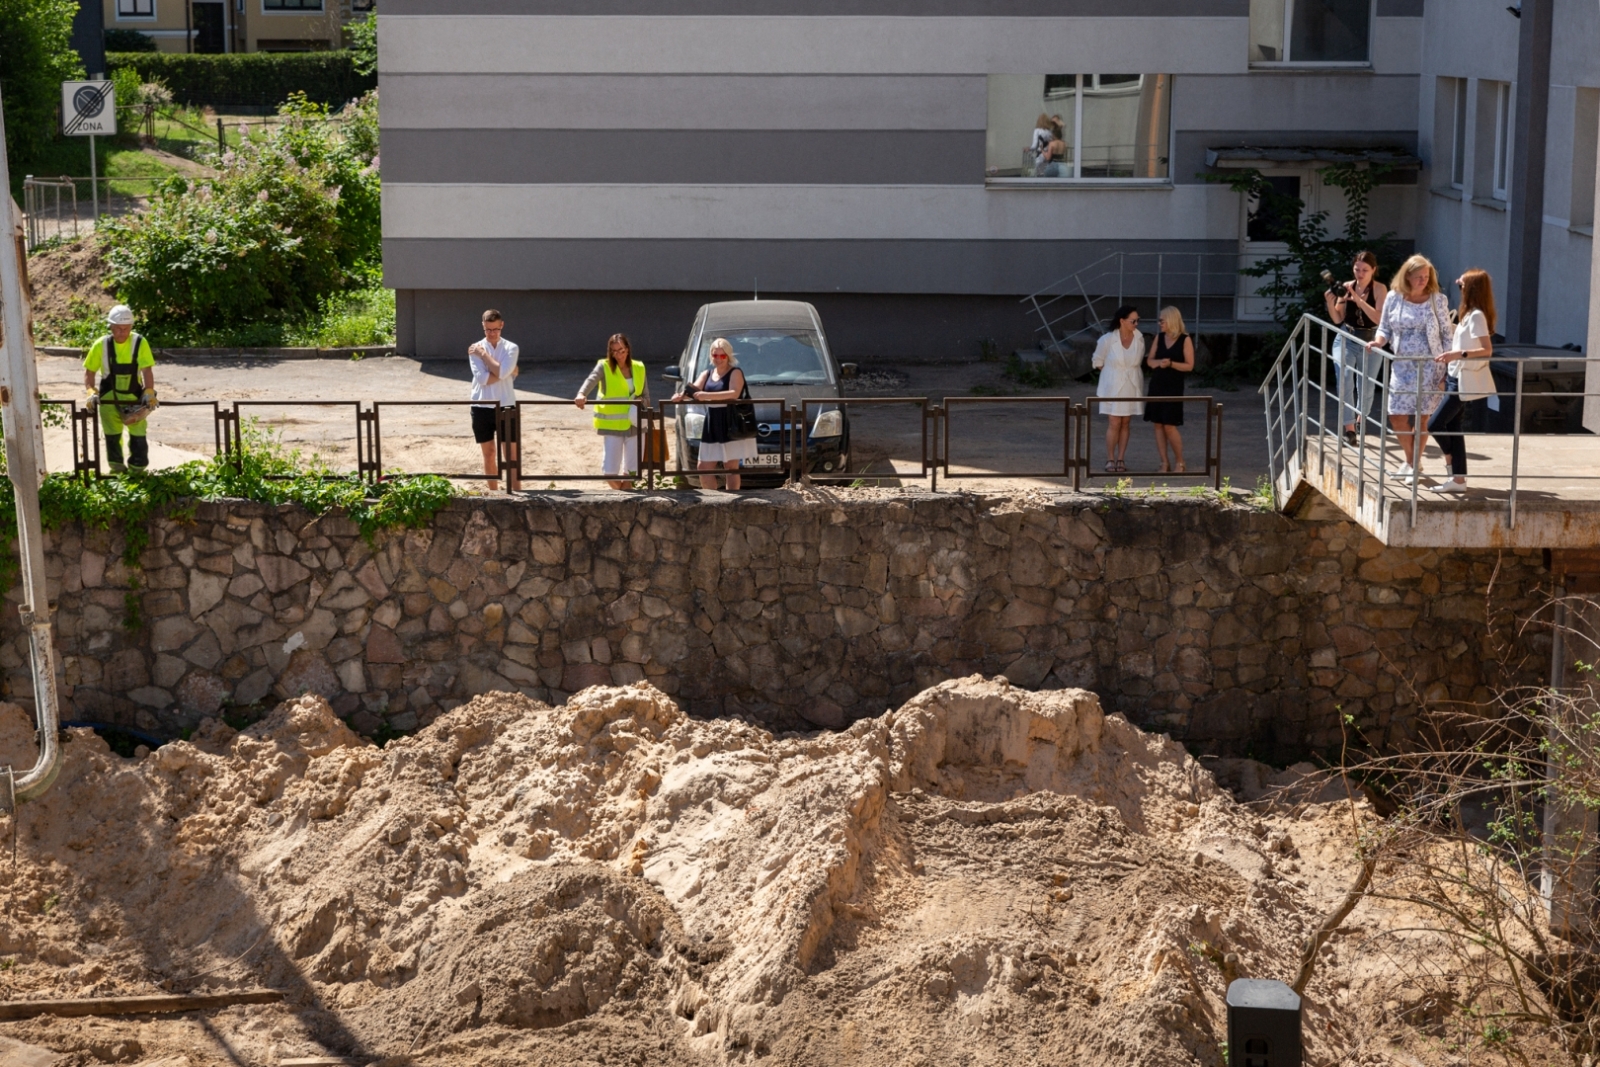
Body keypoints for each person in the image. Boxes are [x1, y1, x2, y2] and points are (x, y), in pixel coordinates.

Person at [1369, 254, 1452, 478]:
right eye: (1418, 277)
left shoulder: (1437, 300)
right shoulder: (1394, 298)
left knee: (1423, 417)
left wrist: (1447, 367)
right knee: (1396, 414)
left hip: (1431, 366)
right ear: (1407, 276)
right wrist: (1378, 342)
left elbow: (1447, 334)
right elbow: (1384, 328)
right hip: (1402, 365)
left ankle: (1413, 465)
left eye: (1426, 276)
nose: (1423, 280)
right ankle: (1411, 460)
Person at [1427, 269, 1497, 493]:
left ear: (1471, 289)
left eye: (1461, 286)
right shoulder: (1469, 314)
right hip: (1455, 376)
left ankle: (1451, 460)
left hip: (1461, 379)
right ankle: (1459, 480)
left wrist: (1457, 355)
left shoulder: (1477, 316)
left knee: (1434, 424)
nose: (1459, 289)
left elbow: (1486, 350)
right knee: (1453, 426)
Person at [82, 305, 157, 473]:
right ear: (111, 327)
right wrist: (91, 391)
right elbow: (89, 372)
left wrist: (149, 391)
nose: (122, 333)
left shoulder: (139, 342)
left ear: (131, 327)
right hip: (109, 400)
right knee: (112, 436)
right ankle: (116, 471)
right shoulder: (101, 345)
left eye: (126, 329)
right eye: (118, 329)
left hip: (135, 400)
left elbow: (147, 370)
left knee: (138, 435)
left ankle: (137, 470)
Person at [1324, 250, 1388, 443]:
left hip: (1371, 340)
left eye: (1364, 270)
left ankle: (1361, 419)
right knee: (1344, 379)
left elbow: (1379, 318)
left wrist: (1359, 300)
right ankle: (1349, 428)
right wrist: (1330, 302)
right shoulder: (1346, 287)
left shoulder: (1379, 289)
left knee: (1366, 387)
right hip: (1346, 337)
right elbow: (1338, 319)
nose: (1359, 274)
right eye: (1356, 269)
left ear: (1373, 270)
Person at [676, 338, 756, 490]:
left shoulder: (735, 372)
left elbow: (734, 393)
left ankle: (732, 502)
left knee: (730, 466)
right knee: (704, 466)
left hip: (729, 419)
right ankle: (712, 500)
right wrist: (681, 395)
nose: (718, 359)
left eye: (722, 355)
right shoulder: (707, 373)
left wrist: (706, 395)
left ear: (728, 356)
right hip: (712, 420)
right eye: (715, 355)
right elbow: (693, 389)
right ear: (711, 356)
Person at [574, 333, 649, 490]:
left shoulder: (639, 367)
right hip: (613, 424)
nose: (618, 355)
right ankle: (622, 495)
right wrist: (581, 394)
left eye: (621, 350)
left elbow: (646, 395)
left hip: (634, 423)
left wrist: (642, 403)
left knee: (632, 472)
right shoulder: (604, 366)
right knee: (609, 473)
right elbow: (591, 380)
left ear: (627, 349)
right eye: (614, 351)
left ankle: (626, 506)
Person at [467, 309, 521, 492]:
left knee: (511, 454)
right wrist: (506, 371)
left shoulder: (511, 347)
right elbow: (483, 379)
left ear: (501, 326)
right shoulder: (474, 348)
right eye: (488, 330)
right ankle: (494, 494)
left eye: (495, 329)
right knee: (489, 454)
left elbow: (502, 373)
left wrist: (484, 356)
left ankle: (518, 492)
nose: (491, 334)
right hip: (482, 405)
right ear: (483, 326)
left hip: (506, 405)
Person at [1092, 304, 1145, 473]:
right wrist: (1113, 375)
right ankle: (1110, 459)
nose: (1136, 324)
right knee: (1114, 422)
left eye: (1138, 320)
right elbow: (1098, 362)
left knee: (1125, 422)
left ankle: (1121, 458)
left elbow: (1139, 361)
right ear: (1122, 321)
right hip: (1113, 386)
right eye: (1133, 320)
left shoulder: (1139, 338)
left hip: (1132, 383)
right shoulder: (1107, 339)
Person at [1142, 306, 1195, 473]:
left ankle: (1180, 461)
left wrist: (1171, 364)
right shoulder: (1159, 337)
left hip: (1173, 386)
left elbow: (1189, 366)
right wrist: (1159, 363)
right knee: (1158, 424)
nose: (1159, 323)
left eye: (1162, 320)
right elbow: (1150, 360)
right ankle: (1164, 462)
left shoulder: (1185, 339)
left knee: (1169, 425)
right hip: (1157, 384)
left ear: (1171, 320)